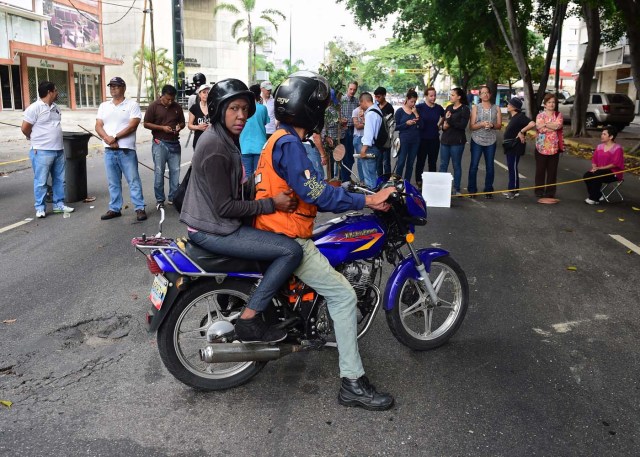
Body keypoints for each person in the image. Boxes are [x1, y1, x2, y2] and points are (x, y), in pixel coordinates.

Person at [254, 71, 395, 410]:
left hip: (275, 229)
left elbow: (310, 187)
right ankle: (352, 382)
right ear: (307, 109)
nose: (322, 113)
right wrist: (369, 201)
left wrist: (342, 189)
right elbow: (312, 192)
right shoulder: (289, 143)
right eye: (319, 107)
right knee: (344, 295)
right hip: (287, 235)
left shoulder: (281, 139)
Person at [179, 79, 303, 343]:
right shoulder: (215, 146)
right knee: (291, 251)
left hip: (211, 223)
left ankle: (240, 299)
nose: (242, 116)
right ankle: (249, 320)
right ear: (218, 109)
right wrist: (273, 203)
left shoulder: (223, 137)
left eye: (245, 109)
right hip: (214, 228)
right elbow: (225, 207)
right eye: (234, 108)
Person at [95, 77, 146, 221]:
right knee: (113, 182)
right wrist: (107, 139)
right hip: (109, 150)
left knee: (133, 180)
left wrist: (115, 137)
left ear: (123, 88)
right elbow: (98, 125)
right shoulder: (104, 106)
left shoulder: (132, 105)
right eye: (111, 86)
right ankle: (114, 208)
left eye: (116, 86)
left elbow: (132, 126)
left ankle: (139, 208)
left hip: (126, 150)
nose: (113, 88)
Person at [21, 81, 74, 218]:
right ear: (49, 92)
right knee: (41, 181)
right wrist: (34, 140)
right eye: (55, 91)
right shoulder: (34, 108)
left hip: (58, 149)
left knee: (60, 179)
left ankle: (59, 204)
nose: (57, 93)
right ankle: (40, 207)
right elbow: (25, 128)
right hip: (41, 150)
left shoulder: (56, 108)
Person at [143, 84, 185, 207]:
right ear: (162, 96)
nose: (170, 101)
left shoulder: (177, 107)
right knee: (159, 172)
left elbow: (182, 122)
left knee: (175, 172)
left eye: (172, 99)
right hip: (159, 142)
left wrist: (179, 127)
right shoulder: (154, 106)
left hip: (174, 142)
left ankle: (173, 197)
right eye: (168, 99)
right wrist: (162, 128)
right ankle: (160, 199)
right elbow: (146, 124)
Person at [468, 86, 502, 199]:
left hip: (491, 140)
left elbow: (499, 125)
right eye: (483, 93)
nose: (485, 95)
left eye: (487, 92)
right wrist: (482, 124)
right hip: (477, 139)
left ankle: (488, 189)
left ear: (490, 94)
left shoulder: (496, 108)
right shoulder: (475, 108)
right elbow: (471, 127)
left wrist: (492, 125)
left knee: (490, 166)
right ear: (479, 95)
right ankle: (472, 189)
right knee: (474, 165)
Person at [501, 97, 535, 199]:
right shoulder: (513, 117)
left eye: (509, 104)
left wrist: (521, 132)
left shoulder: (520, 116)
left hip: (516, 146)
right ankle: (513, 190)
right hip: (510, 146)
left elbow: (532, 123)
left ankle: (513, 191)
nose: (507, 106)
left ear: (513, 107)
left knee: (512, 168)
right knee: (511, 168)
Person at [439, 88, 471, 195]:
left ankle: (456, 189)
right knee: (443, 164)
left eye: (453, 95)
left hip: (457, 141)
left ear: (459, 97)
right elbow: (444, 126)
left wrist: (450, 120)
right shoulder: (448, 107)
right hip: (445, 140)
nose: (450, 96)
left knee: (456, 165)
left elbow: (462, 125)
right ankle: (441, 187)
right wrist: (444, 125)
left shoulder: (465, 109)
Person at [583, 125, 624, 205]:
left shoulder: (617, 148)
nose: (601, 136)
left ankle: (593, 199)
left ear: (611, 136)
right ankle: (598, 195)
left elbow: (615, 164)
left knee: (597, 175)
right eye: (602, 134)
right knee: (587, 175)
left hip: (613, 173)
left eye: (604, 134)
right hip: (599, 170)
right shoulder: (599, 147)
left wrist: (600, 168)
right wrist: (595, 167)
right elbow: (594, 159)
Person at [535, 93, 563, 199]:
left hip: (554, 148)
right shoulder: (540, 115)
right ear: (545, 104)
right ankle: (539, 190)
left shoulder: (558, 115)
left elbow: (558, 126)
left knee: (552, 171)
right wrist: (551, 126)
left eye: (553, 102)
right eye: (549, 102)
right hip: (541, 147)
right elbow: (540, 129)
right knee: (540, 170)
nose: (551, 104)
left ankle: (550, 192)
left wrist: (546, 124)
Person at [416, 87, 445, 186]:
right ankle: (418, 180)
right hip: (422, 138)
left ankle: (431, 181)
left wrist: (439, 125)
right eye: (431, 96)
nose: (433, 98)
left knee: (432, 162)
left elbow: (444, 116)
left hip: (434, 139)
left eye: (434, 95)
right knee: (421, 161)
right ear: (426, 96)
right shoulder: (420, 107)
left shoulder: (438, 108)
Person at [239, 84, 269, 178]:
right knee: (258, 174)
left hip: (244, 145)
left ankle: (248, 192)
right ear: (259, 94)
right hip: (260, 146)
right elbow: (265, 122)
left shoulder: (245, 109)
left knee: (247, 173)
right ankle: (257, 193)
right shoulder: (262, 108)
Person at [394, 89, 421, 182]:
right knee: (401, 162)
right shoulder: (400, 111)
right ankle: (397, 182)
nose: (413, 104)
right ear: (407, 99)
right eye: (411, 101)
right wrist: (406, 124)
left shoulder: (416, 111)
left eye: (415, 101)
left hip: (415, 140)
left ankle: (407, 182)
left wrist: (416, 113)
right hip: (404, 139)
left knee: (410, 163)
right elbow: (395, 127)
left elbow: (422, 125)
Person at [358, 92, 384, 188]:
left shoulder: (370, 114)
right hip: (377, 146)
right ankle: (376, 194)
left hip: (370, 148)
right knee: (373, 174)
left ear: (364, 101)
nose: (360, 106)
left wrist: (363, 150)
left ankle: (373, 197)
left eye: (360, 103)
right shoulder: (377, 110)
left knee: (369, 176)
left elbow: (369, 134)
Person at [340, 81, 359, 181]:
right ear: (347, 88)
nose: (352, 91)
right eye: (351, 89)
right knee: (344, 156)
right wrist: (340, 120)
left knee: (351, 157)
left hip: (354, 129)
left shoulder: (356, 101)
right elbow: (336, 116)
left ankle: (346, 177)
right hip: (343, 130)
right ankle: (344, 179)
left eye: (354, 89)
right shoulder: (341, 100)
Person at [373, 86, 394, 175]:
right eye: (376, 97)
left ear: (384, 96)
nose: (377, 99)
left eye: (379, 97)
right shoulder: (376, 107)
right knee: (378, 162)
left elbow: (391, 125)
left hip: (386, 139)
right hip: (377, 139)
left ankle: (388, 180)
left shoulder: (389, 108)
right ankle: (380, 180)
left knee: (386, 162)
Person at [187, 84, 210, 151]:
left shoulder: (212, 108)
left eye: (208, 92)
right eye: (204, 92)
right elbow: (189, 125)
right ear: (199, 94)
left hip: (211, 141)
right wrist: (198, 127)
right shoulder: (194, 108)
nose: (206, 94)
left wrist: (211, 126)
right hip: (198, 141)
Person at [352, 98, 365, 181]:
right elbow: (357, 126)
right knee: (361, 160)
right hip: (359, 137)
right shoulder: (356, 111)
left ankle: (366, 179)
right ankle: (362, 180)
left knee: (367, 159)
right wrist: (366, 122)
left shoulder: (368, 111)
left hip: (367, 138)